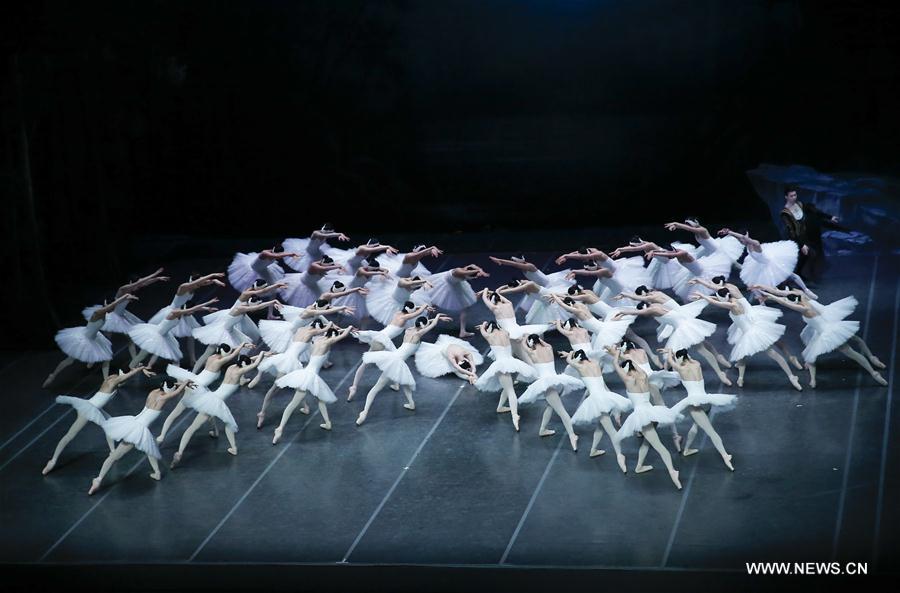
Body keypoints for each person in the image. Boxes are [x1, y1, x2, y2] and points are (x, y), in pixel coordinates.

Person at [756, 288, 887, 387]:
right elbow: (785, 296)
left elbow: (785, 302)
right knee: (811, 353)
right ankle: (813, 379)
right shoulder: (803, 297)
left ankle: (874, 373)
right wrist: (766, 291)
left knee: (849, 351)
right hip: (825, 327)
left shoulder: (804, 309)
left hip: (828, 331)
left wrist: (772, 297)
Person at [689, 281, 802, 391]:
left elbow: (717, 303)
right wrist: (703, 295)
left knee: (772, 353)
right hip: (748, 330)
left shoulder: (733, 305)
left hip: (753, 332)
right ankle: (741, 378)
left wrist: (702, 295)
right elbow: (718, 299)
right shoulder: (733, 299)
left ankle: (792, 377)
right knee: (742, 354)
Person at [43, 365, 155, 475]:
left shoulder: (111, 379)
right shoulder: (114, 381)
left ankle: (112, 451)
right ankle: (53, 461)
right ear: (122, 375)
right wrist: (140, 369)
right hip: (88, 410)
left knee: (109, 423)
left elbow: (128, 375)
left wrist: (141, 369)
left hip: (92, 407)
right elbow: (128, 375)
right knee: (70, 435)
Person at [88, 379, 191, 494]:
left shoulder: (154, 392)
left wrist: (179, 384)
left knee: (150, 448)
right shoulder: (162, 398)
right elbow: (176, 393)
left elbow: (171, 389)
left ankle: (157, 472)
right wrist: (186, 382)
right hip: (137, 430)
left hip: (134, 422)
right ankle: (98, 479)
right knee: (115, 456)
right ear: (169, 389)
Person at [170, 352, 269, 467]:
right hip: (214, 402)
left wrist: (263, 356)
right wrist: (262, 353)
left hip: (211, 396)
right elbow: (254, 364)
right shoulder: (239, 372)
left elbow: (250, 361)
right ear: (244, 365)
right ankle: (180, 452)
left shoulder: (232, 367)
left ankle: (224, 439)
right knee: (196, 426)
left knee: (221, 420)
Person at [355, 315, 452, 426]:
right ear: (423, 326)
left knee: (405, 382)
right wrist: (438, 316)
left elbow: (424, 324)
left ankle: (411, 403)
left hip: (394, 357)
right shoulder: (417, 334)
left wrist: (431, 320)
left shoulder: (409, 330)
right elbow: (431, 325)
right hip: (396, 362)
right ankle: (364, 413)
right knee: (376, 388)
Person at [608, 347, 682, 489]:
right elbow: (633, 364)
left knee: (658, 446)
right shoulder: (643, 375)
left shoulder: (628, 380)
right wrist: (628, 359)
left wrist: (616, 354)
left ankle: (673, 473)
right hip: (654, 412)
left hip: (642, 416)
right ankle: (639, 466)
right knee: (647, 442)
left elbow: (616, 365)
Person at [155, 342, 251, 443]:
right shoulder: (219, 362)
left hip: (195, 383)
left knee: (207, 409)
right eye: (228, 352)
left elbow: (231, 352)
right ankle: (162, 435)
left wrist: (242, 346)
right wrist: (243, 344)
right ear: (225, 353)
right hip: (197, 388)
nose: (230, 353)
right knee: (206, 408)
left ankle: (162, 435)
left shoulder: (212, 357)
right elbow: (233, 355)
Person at [274, 324, 355, 440]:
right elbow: (344, 335)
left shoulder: (318, 340)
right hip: (310, 377)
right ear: (333, 336)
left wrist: (338, 329)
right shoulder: (328, 343)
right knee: (293, 404)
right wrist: (350, 327)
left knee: (321, 400)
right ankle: (280, 428)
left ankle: (328, 423)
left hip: (306, 373)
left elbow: (331, 333)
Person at [43, 294, 138, 387]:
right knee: (69, 360)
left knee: (107, 357)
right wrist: (124, 297)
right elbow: (113, 304)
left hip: (95, 337)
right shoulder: (98, 313)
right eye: (111, 308)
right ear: (106, 306)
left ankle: (106, 380)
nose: (113, 310)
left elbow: (113, 305)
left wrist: (125, 299)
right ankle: (52, 375)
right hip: (84, 338)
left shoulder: (105, 313)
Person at [664, 348, 736, 470]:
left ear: (680, 358)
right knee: (696, 425)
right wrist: (681, 355)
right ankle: (686, 449)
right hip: (706, 401)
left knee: (711, 432)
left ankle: (725, 456)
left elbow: (670, 361)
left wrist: (670, 352)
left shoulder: (681, 369)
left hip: (695, 404)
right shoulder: (697, 364)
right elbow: (688, 358)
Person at [562, 349, 631, 471]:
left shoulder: (580, 367)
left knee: (611, 431)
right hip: (606, 397)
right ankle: (593, 450)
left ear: (577, 358)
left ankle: (620, 456)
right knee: (600, 426)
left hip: (597, 401)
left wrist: (569, 354)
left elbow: (568, 360)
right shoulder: (595, 363)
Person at [517, 334, 584, 451]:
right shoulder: (548, 348)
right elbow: (545, 344)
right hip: (557, 382)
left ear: (531, 343)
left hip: (547, 385)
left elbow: (524, 346)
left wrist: (524, 339)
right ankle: (543, 429)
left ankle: (572, 436)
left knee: (561, 411)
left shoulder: (533, 353)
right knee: (550, 406)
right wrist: (535, 338)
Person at [81, 268, 169, 356]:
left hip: (121, 316)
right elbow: (139, 283)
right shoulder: (123, 289)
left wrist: (157, 279)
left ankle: (134, 360)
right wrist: (155, 273)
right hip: (111, 316)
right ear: (131, 282)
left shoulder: (132, 288)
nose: (138, 286)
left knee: (129, 339)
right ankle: (92, 351)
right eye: (136, 284)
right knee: (106, 338)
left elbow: (143, 283)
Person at [474, 321, 538, 431]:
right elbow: (504, 331)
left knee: (509, 390)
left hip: (502, 365)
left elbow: (483, 330)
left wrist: (483, 325)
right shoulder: (505, 333)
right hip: (513, 363)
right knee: (509, 386)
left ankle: (514, 416)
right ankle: (500, 407)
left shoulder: (489, 336)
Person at [780, 186, 846, 281]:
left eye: (795, 195)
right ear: (786, 197)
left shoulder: (799, 204)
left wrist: (830, 217)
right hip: (796, 238)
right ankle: (806, 276)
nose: (794, 197)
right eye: (791, 196)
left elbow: (815, 212)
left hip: (806, 235)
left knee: (806, 256)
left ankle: (800, 274)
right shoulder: (785, 213)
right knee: (810, 255)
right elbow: (792, 230)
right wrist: (802, 244)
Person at [416, 265, 490, 337]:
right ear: (468, 273)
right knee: (436, 301)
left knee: (465, 307)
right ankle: (426, 317)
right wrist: (478, 271)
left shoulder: (466, 269)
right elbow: (468, 272)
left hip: (455, 284)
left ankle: (462, 331)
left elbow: (472, 265)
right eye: (472, 277)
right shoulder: (458, 271)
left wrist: (481, 271)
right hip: (446, 285)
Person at [414, 334, 483, 383]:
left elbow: (471, 361)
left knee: (469, 366)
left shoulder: (466, 352)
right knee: (455, 371)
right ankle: (469, 378)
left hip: (453, 347)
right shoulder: (451, 357)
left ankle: (471, 377)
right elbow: (459, 369)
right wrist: (470, 375)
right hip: (444, 351)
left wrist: (473, 371)